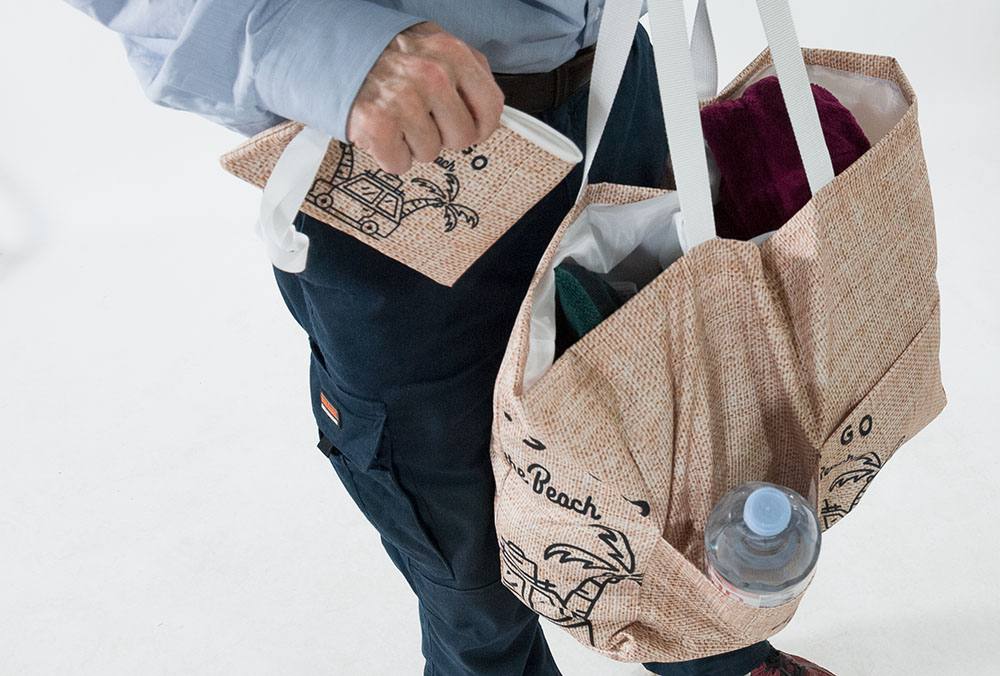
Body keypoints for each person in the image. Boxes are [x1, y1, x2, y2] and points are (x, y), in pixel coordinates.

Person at [67, 2, 837, 674]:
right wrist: (301, 32)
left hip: (617, 77)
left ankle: (714, 655)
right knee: (455, 520)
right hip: (393, 153)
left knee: (671, 420)